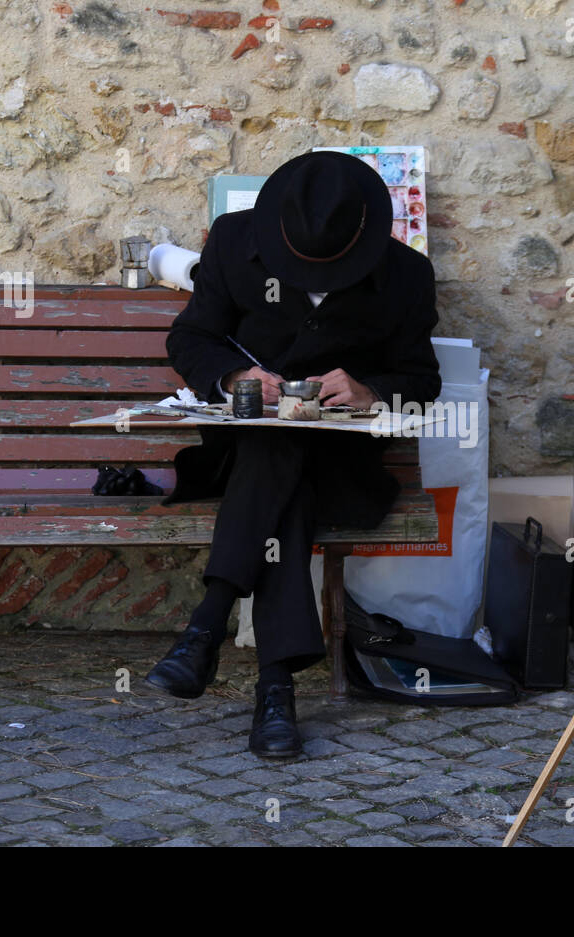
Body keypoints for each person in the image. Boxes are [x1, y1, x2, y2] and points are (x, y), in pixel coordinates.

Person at [145, 151, 442, 758]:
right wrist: (233, 377)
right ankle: (273, 692)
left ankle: (208, 623)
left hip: (341, 464)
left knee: (292, 460)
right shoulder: (233, 240)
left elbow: (423, 378)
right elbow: (191, 337)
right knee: (278, 451)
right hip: (242, 452)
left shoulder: (406, 274)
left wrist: (370, 390)